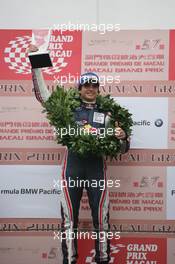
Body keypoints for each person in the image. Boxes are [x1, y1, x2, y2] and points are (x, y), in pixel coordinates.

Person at [28, 44, 129, 264]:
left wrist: (121, 137)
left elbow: (121, 149)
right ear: (79, 88)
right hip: (72, 168)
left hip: (97, 171)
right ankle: (70, 261)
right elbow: (42, 96)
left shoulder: (109, 113)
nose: (90, 88)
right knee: (68, 221)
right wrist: (36, 61)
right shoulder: (68, 109)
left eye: (94, 84)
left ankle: (103, 260)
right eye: (86, 84)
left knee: (101, 220)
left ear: (99, 89)